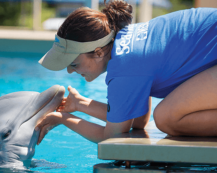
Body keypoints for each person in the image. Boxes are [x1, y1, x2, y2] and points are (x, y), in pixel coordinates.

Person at [35, 0, 217, 145]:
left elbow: (111, 137)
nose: (68, 70)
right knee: (165, 115)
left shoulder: (124, 67)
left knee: (167, 118)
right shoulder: (125, 44)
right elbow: (136, 120)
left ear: (98, 53)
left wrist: (63, 119)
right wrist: (81, 104)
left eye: (73, 64)